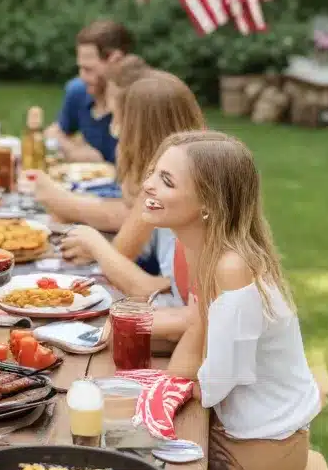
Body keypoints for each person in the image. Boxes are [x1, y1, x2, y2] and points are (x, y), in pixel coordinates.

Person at [147, 132, 320, 470]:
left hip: (258, 457)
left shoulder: (231, 267)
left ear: (208, 201)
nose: (148, 186)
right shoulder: (206, 250)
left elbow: (214, 382)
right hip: (252, 437)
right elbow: (193, 354)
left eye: (166, 180)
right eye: (153, 173)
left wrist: (169, 388)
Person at [57, 72, 205, 337]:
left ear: (139, 131)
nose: (114, 130)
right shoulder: (180, 181)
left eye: (117, 120)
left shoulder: (185, 202)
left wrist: (95, 244)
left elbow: (160, 293)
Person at [28, 54, 151, 231]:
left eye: (117, 119)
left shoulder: (154, 156)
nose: (113, 126)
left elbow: (131, 215)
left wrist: (57, 199)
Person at [47, 19, 132, 164]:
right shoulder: (78, 91)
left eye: (89, 69)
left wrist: (101, 164)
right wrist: (76, 151)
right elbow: (54, 132)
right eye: (81, 68)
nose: (82, 76)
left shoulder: (143, 102)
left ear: (116, 61)